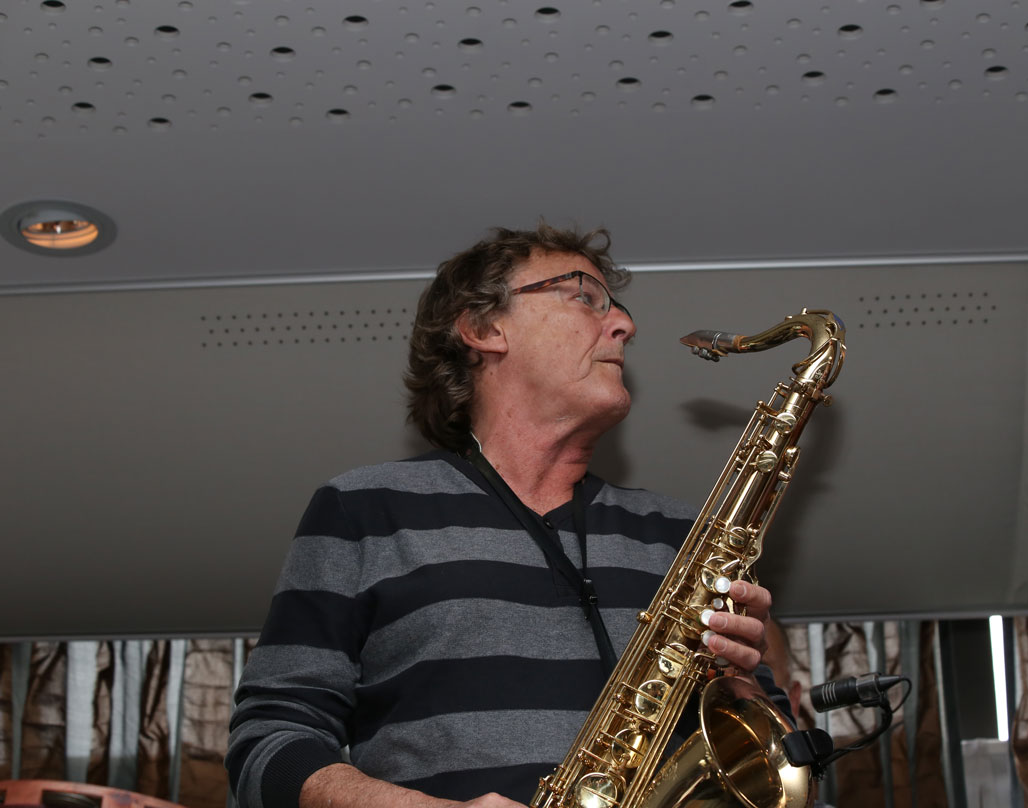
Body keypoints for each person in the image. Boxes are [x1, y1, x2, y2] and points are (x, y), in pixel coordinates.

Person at [226, 223, 788, 808]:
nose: (625, 324)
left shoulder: (682, 535)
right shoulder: (365, 509)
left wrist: (738, 682)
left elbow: (776, 761)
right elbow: (268, 744)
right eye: (585, 296)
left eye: (616, 307)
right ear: (483, 328)